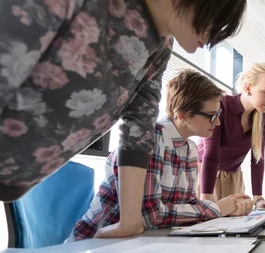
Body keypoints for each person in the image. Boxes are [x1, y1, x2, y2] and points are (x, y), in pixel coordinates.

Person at [0, 0, 246, 238]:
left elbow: (137, 128)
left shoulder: (160, 47)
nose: (210, 39)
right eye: (210, 20)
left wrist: (130, 220)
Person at [69, 70, 254, 241]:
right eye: (212, 115)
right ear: (182, 115)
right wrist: (216, 209)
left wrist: (227, 207)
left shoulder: (190, 148)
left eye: (219, 113)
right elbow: (150, 215)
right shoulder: (150, 139)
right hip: (94, 244)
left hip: (140, 241)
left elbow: (187, 203)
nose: (219, 121)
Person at [198, 63, 265, 210]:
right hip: (207, 175)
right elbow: (211, 154)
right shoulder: (222, 105)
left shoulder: (262, 118)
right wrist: (205, 202)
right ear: (248, 88)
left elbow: (257, 158)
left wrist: (258, 199)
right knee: (205, 226)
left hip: (233, 178)